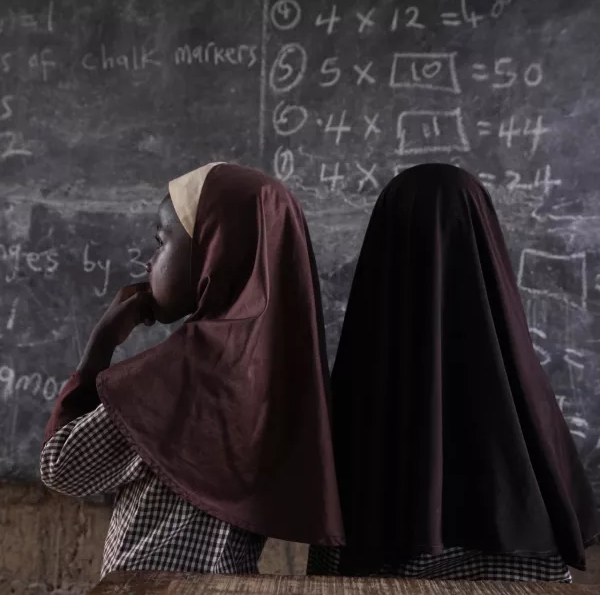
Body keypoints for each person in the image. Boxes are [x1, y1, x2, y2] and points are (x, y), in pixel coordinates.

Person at [41, 162, 344, 577]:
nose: (149, 262)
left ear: (212, 251)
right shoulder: (282, 374)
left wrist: (100, 346)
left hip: (150, 585)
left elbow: (62, 467)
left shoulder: (183, 371)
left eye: (160, 243)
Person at [307, 163, 599, 582]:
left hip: (375, 572)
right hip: (516, 568)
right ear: (484, 235)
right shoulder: (516, 369)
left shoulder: (362, 376)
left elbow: (332, 553)